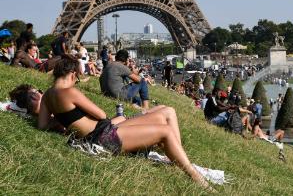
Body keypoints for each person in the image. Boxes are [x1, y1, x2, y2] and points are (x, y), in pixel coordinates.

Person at [37, 55, 211, 189]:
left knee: (167, 111)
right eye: (78, 77)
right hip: (104, 137)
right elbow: (100, 114)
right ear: (73, 73)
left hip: (102, 133)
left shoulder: (47, 96)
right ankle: (196, 177)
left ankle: (176, 158)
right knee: (165, 130)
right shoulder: (70, 91)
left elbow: (43, 125)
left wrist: (67, 123)